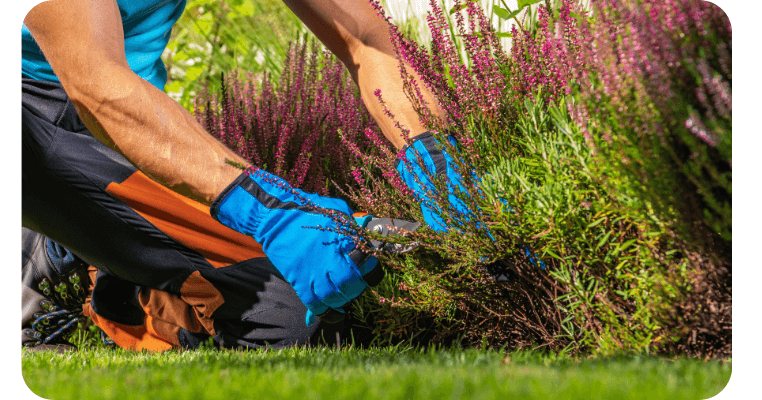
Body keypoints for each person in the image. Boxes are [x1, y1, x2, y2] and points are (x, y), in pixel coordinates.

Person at [21, 0, 465, 351]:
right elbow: (95, 84)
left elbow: (366, 39)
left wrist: (437, 162)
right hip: (30, 118)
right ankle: (49, 250)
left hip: (131, 118)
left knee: (292, 319)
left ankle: (106, 276)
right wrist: (273, 213)